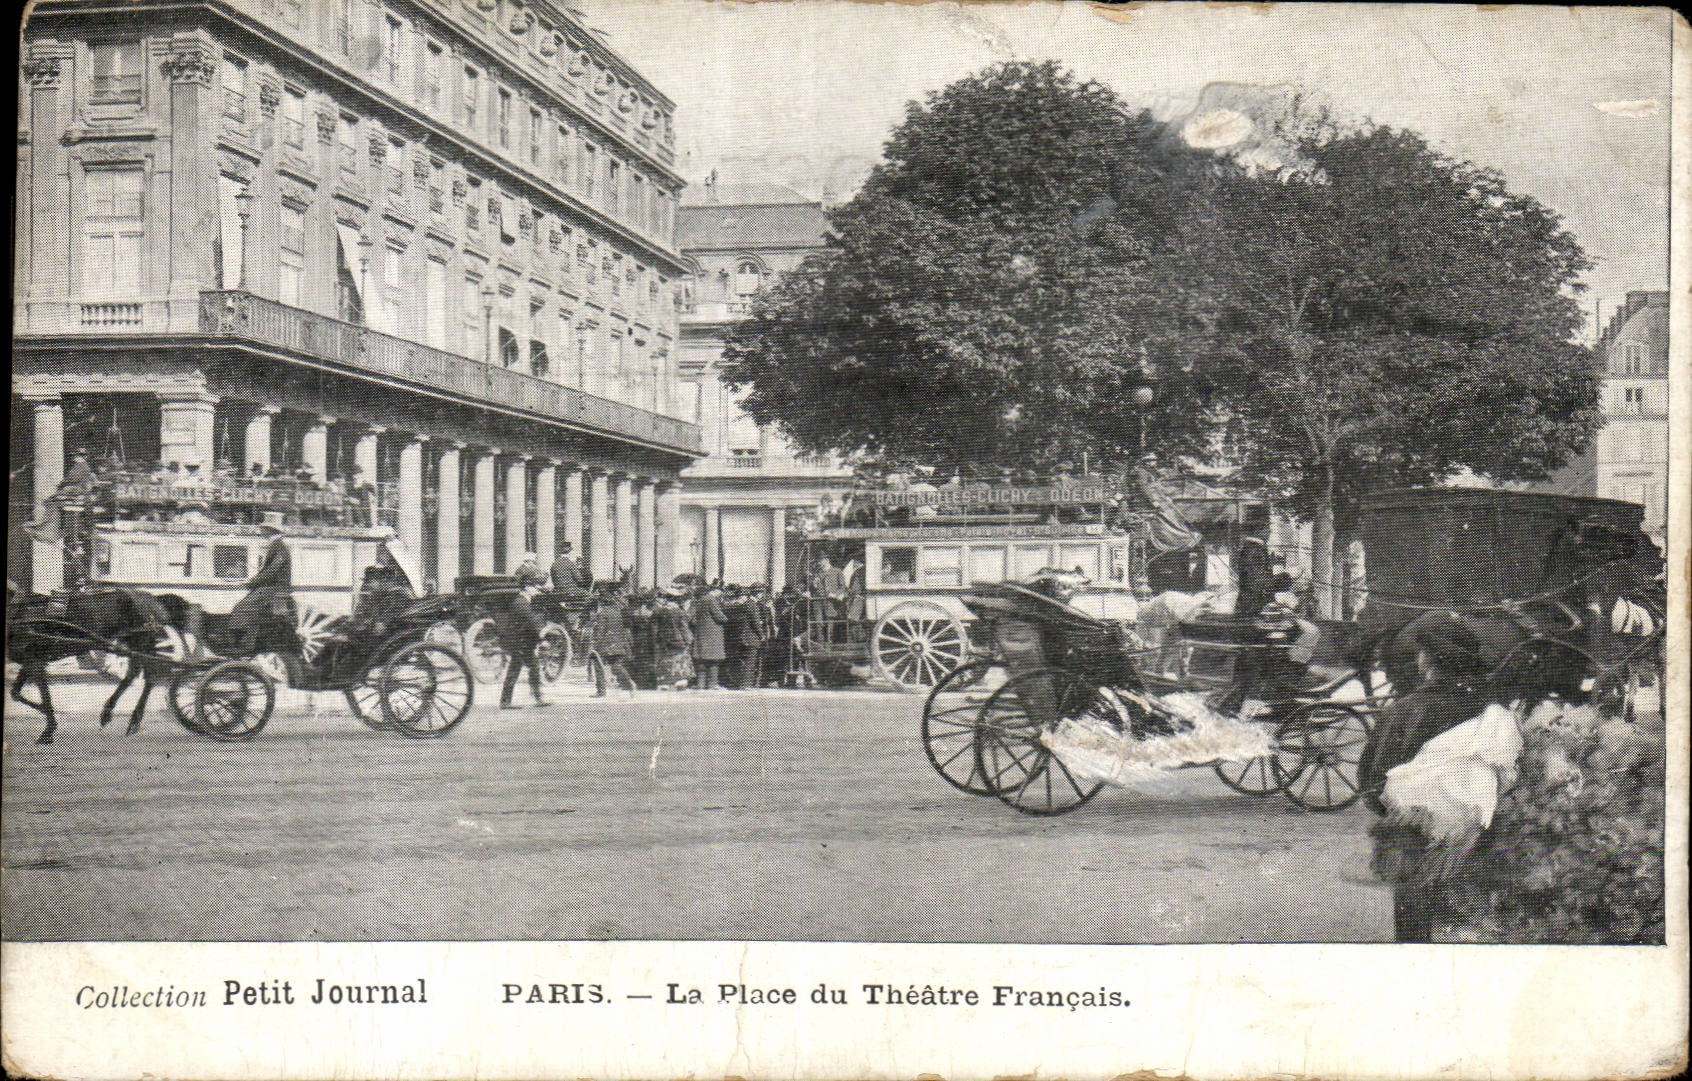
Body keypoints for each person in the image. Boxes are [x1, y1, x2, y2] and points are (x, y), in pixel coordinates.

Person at [497, 567, 549, 708]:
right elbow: (531, 622)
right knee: (518, 669)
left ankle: (536, 698)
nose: (538, 590)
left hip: (523, 642)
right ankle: (509, 701)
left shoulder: (525, 601)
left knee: (531, 668)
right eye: (535, 587)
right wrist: (542, 638)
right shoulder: (521, 603)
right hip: (518, 642)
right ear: (527, 587)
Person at [586, 583, 637, 697]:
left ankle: (601, 691)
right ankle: (630, 684)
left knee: (598, 665)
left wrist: (594, 645)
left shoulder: (603, 614)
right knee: (616, 666)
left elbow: (600, 631)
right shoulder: (617, 612)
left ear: (602, 602)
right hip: (618, 645)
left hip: (606, 645)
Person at [650, 587, 694, 690]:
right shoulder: (679, 612)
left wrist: (655, 640)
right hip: (678, 640)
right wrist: (688, 640)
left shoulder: (658, 611)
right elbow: (683, 628)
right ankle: (679, 680)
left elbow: (654, 629)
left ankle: (664, 681)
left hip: (663, 640)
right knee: (679, 659)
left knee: (664, 660)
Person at [734, 584, 774, 689]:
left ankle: (745, 683)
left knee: (746, 661)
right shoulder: (753, 605)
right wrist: (762, 635)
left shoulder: (747, 604)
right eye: (761, 593)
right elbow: (755, 622)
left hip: (744, 636)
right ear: (758, 593)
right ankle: (745, 684)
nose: (762, 595)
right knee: (750, 661)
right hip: (751, 637)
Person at [691, 582, 729, 690]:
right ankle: (712, 684)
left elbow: (691, 618)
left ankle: (700, 685)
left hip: (700, 634)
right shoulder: (711, 600)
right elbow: (720, 617)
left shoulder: (696, 601)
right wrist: (726, 618)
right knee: (714, 660)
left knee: (701, 661)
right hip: (712, 635)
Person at [1233, 535, 1275, 618]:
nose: (1269, 532)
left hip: (1251, 597)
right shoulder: (1255, 551)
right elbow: (1257, 574)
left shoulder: (1250, 550)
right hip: (1252, 598)